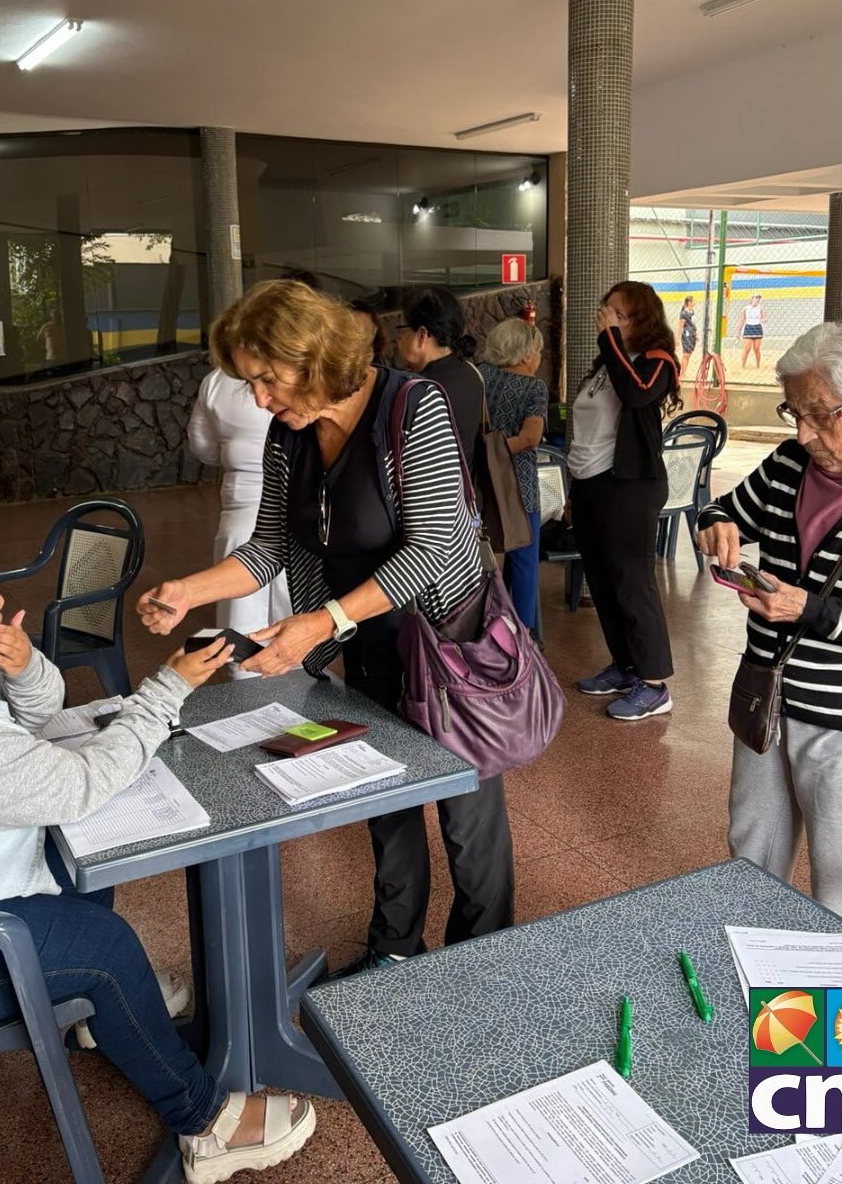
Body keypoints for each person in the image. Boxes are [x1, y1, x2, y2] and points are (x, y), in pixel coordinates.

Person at [0, 538, 315, 1182]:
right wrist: (166, 690)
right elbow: (80, 781)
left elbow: (40, 719)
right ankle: (206, 1124)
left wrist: (21, 669)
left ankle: (95, 1018)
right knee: (102, 946)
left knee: (83, 860)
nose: (1, 601)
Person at [137, 280, 514, 975]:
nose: (258, 398)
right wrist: (187, 590)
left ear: (312, 358)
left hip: (446, 644)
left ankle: (482, 964)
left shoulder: (413, 407)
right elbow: (269, 548)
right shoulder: (290, 432)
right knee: (384, 800)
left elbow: (432, 547)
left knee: (467, 814)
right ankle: (396, 946)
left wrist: (319, 622)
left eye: (267, 378)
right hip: (366, 639)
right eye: (249, 382)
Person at [697, 322, 842, 931]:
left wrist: (810, 610)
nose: (803, 433)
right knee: (750, 863)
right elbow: (728, 509)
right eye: (793, 412)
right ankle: (752, 1000)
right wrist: (715, 523)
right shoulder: (785, 464)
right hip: (766, 702)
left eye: (819, 415)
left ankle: (833, 1020)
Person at [567, 282, 681, 721]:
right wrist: (577, 492)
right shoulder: (605, 364)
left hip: (630, 486)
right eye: (605, 311)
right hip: (593, 485)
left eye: (618, 314)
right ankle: (625, 665)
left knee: (633, 584)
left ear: (640, 319)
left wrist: (609, 339)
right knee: (602, 581)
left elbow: (637, 393)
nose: (607, 319)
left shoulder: (657, 361)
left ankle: (653, 683)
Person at [187, 363, 290, 671]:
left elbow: (202, 446)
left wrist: (232, 448)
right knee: (293, 609)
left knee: (240, 617)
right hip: (295, 505)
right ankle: (298, 694)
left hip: (241, 505)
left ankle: (243, 695)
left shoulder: (215, 381)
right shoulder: (294, 373)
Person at [477, 318, 548, 630]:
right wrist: (499, 452)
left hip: (479, 482)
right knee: (523, 564)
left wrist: (483, 453)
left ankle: (483, 628)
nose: (540, 358)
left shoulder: (479, 375)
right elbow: (530, 438)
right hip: (518, 486)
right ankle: (522, 637)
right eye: (539, 351)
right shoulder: (534, 387)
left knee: (481, 559)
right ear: (527, 353)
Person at [395, 286, 483, 468]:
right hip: (463, 492)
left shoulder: (416, 389)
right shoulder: (471, 373)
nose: (398, 339)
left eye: (402, 330)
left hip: (429, 494)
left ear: (422, 335)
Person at [348, 298, 391, 364]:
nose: (358, 336)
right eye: (353, 329)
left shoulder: (382, 370)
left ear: (374, 332)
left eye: (365, 330)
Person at [739, 293, 766, 368]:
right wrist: (738, 332)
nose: (757, 299)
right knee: (747, 348)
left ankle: (758, 365)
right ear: (751, 299)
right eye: (756, 297)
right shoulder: (746, 308)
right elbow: (741, 320)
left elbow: (764, 318)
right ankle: (743, 365)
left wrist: (764, 320)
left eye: (758, 298)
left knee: (756, 348)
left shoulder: (761, 308)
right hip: (748, 327)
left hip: (757, 327)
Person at [678, 296, 697, 377]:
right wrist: (677, 339)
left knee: (688, 354)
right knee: (686, 354)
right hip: (687, 335)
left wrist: (696, 335)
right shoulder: (684, 314)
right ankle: (682, 372)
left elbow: (693, 324)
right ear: (689, 302)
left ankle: (684, 371)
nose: (695, 302)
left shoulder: (692, 311)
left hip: (692, 334)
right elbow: (680, 326)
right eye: (693, 301)